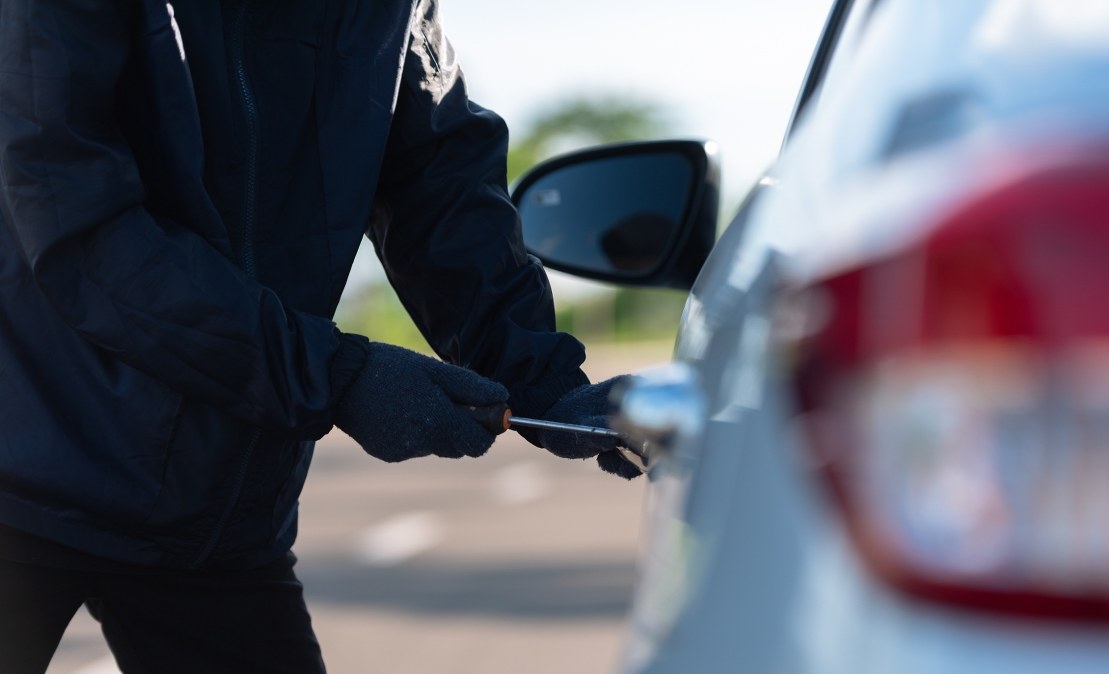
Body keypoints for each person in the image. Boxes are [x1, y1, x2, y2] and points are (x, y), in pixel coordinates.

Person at [0, 1, 640, 671]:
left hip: (222, 508)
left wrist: (542, 379)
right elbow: (76, 219)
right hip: (26, 476)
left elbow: (441, 187)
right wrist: (333, 375)